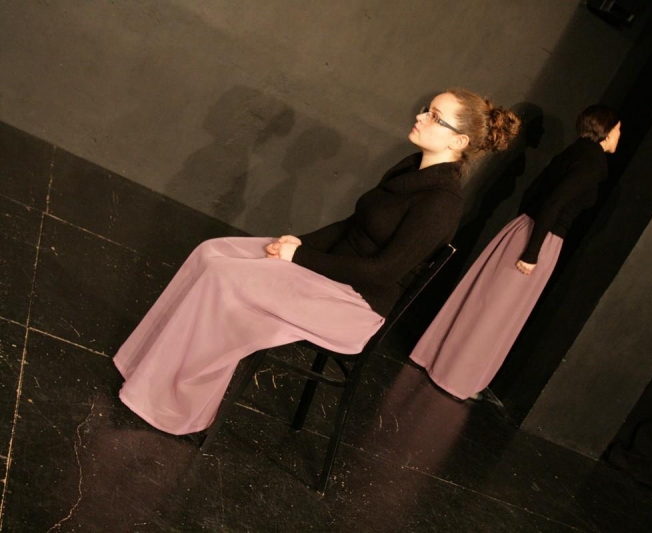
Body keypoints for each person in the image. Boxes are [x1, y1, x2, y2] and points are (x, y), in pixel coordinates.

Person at [113, 89, 521, 435]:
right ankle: (143, 368)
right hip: (331, 272)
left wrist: (300, 257)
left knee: (224, 276)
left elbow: (383, 272)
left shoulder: (441, 204)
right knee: (212, 251)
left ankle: (169, 404)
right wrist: (298, 243)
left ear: (458, 141)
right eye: (426, 109)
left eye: (434, 117)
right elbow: (353, 224)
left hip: (355, 304)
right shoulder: (409, 168)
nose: (420, 117)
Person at [409, 104, 621, 401]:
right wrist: (532, 253)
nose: (619, 135)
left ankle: (437, 359)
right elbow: (554, 204)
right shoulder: (593, 163)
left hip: (522, 229)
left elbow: (534, 192)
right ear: (606, 130)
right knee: (497, 312)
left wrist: (525, 230)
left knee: (483, 300)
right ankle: (454, 376)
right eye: (618, 129)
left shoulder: (572, 152)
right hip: (540, 239)